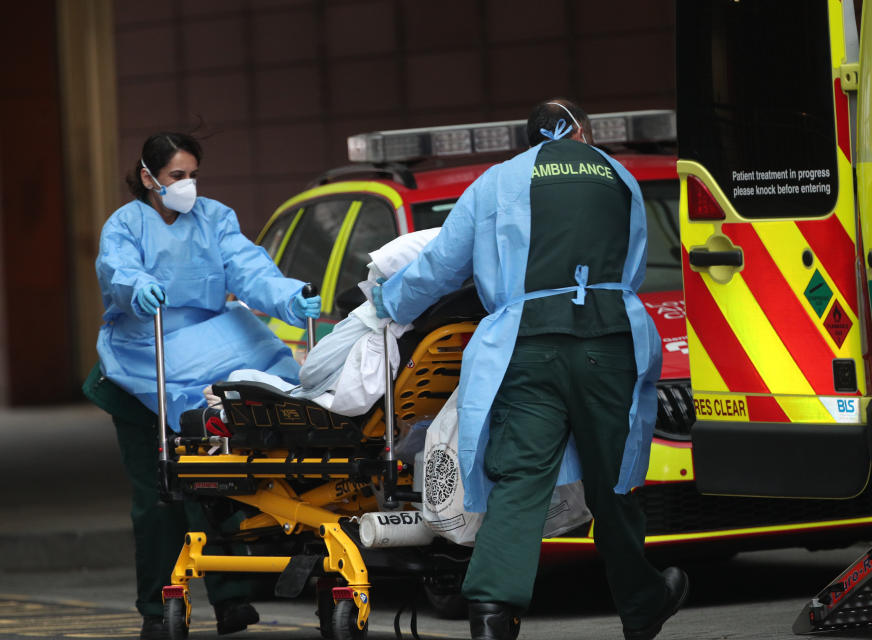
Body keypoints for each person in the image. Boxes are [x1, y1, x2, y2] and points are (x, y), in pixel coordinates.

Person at [371, 99, 688, 640]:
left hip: (527, 345)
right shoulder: (619, 175)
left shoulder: (500, 180)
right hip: (607, 340)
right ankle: (641, 601)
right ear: (582, 131)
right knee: (609, 480)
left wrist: (389, 301)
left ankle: (492, 610)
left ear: (531, 139)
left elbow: (444, 262)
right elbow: (632, 263)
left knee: (522, 477)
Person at [82, 131, 320, 640]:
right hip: (144, 364)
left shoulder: (215, 218)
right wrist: (135, 287)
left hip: (209, 352)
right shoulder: (125, 226)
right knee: (158, 497)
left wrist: (287, 296)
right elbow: (117, 269)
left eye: (192, 175)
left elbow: (250, 268)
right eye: (176, 177)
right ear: (148, 178)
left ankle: (232, 597)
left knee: (216, 486)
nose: (187, 186)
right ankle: (156, 608)